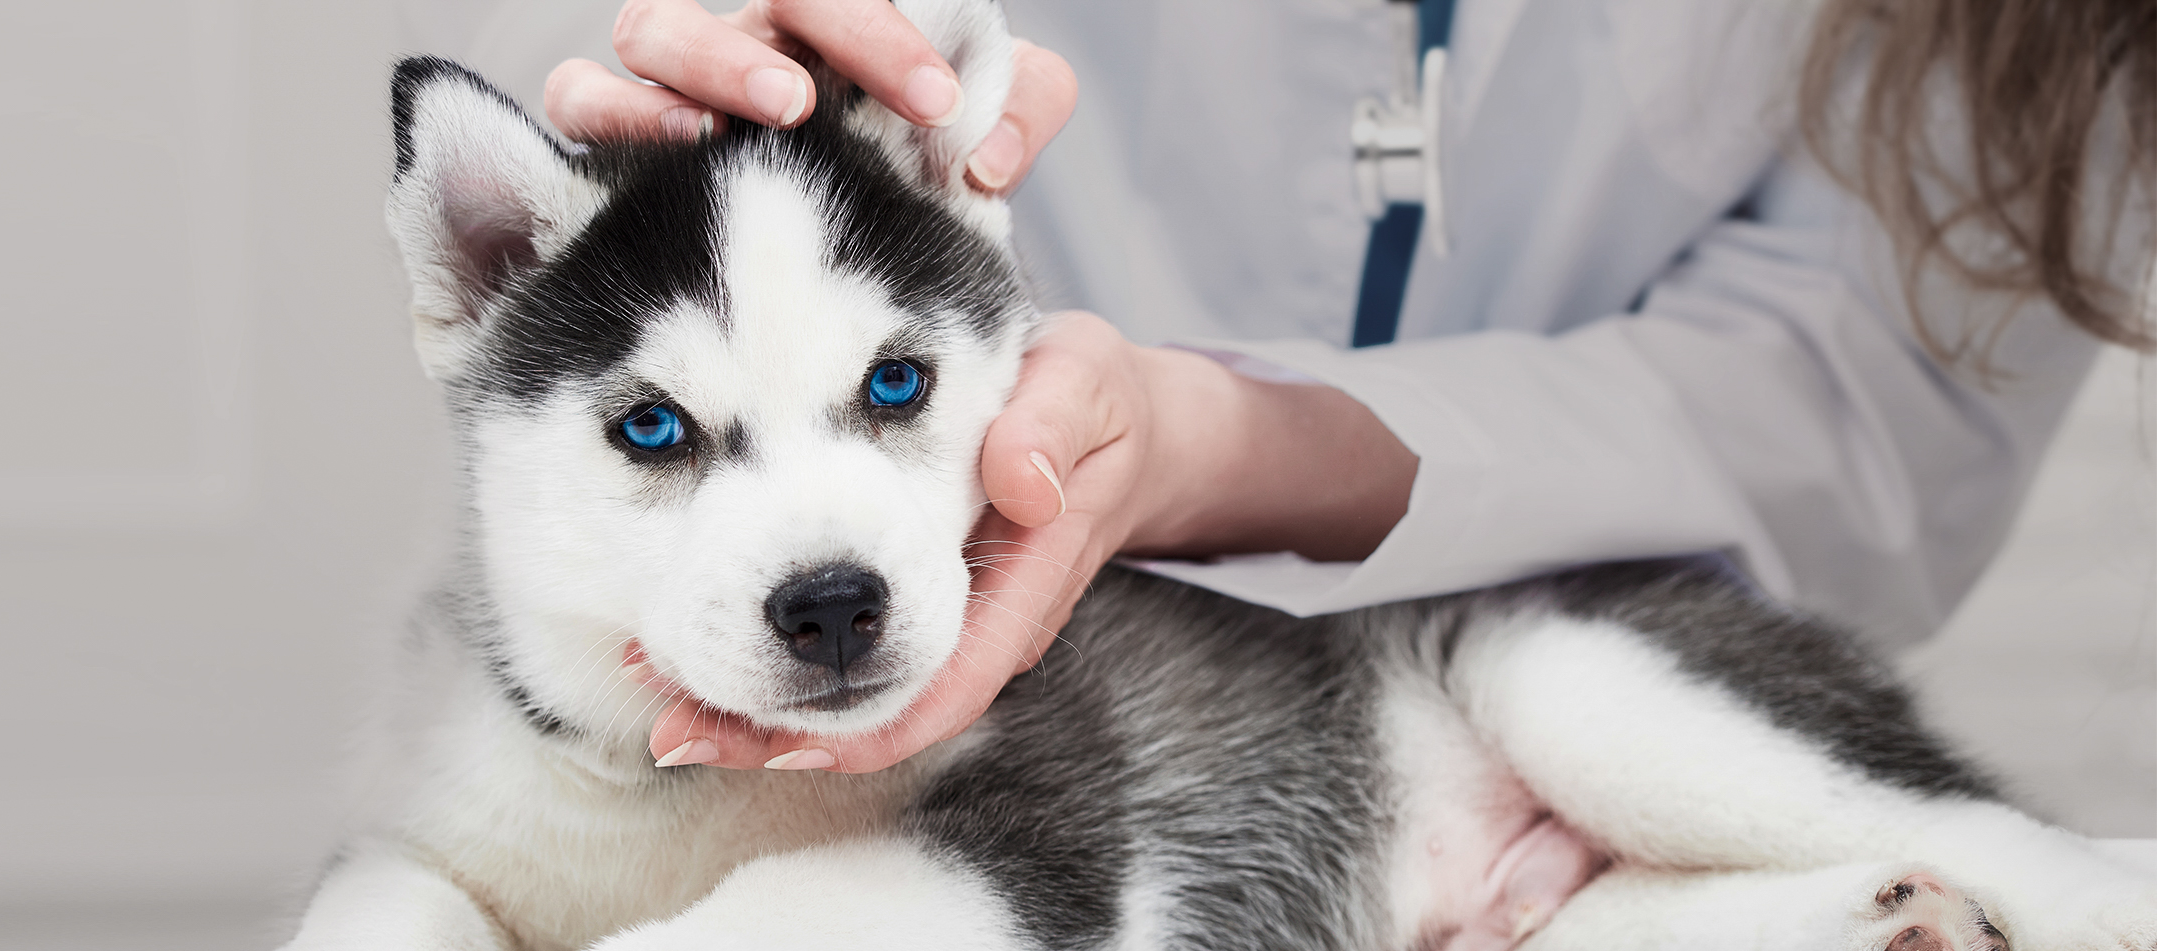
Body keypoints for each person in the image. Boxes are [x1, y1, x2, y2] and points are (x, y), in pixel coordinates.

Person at [534, 0, 2157, 774]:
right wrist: (752, 121)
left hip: (1603, 750)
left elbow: (1853, 420)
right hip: (1016, 759)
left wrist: (1223, 443)